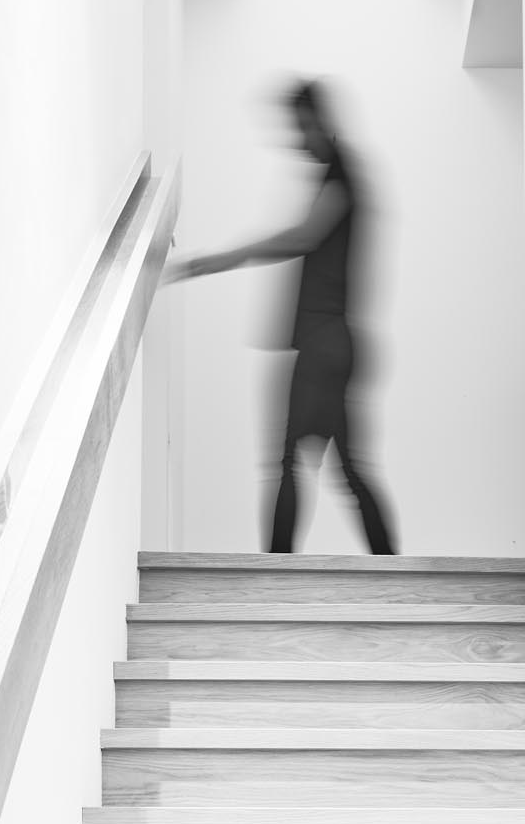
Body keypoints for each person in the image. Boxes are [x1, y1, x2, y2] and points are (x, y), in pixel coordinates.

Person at [167, 79, 398, 555]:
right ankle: (392, 574)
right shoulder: (340, 173)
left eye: (301, 127)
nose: (297, 140)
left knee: (292, 460)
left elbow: (302, 237)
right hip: (333, 342)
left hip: (326, 341)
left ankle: (274, 578)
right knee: (344, 466)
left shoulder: (342, 173)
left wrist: (220, 258)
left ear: (319, 121)